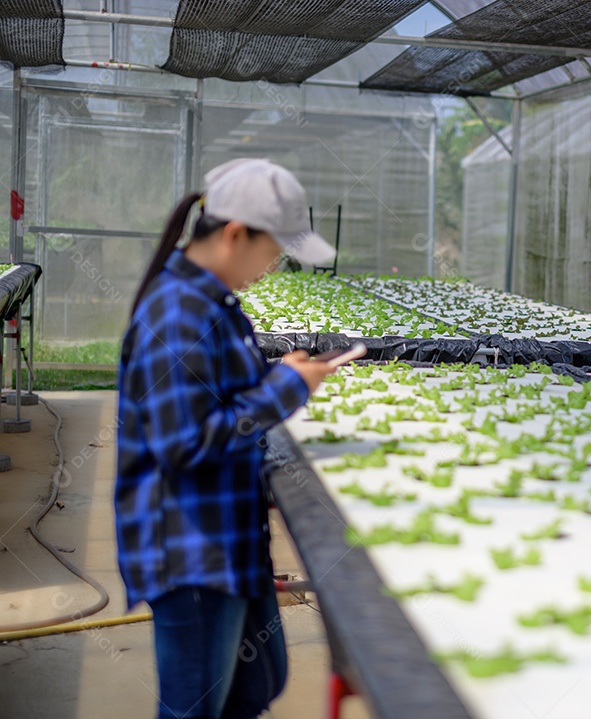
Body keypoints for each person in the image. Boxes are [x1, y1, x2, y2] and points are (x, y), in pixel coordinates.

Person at [115, 159, 337, 719]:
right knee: (195, 708)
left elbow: (220, 394)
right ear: (236, 235)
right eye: (274, 250)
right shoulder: (176, 312)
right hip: (190, 550)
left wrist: (278, 374)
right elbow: (184, 444)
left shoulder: (216, 303)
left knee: (257, 686)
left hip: (228, 541)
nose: (275, 264)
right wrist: (286, 388)